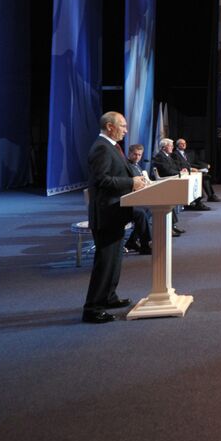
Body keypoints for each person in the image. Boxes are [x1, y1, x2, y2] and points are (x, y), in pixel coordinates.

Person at [83, 112, 146, 324]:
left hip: (116, 213)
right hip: (106, 213)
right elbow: (101, 180)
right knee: (105, 262)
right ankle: (93, 308)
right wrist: (131, 183)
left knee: (115, 260)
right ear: (110, 127)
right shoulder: (102, 147)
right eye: (123, 126)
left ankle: (109, 297)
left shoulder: (112, 146)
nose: (126, 130)